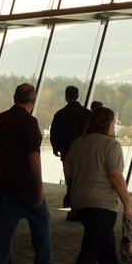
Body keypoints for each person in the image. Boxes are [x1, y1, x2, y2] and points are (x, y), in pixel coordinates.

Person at [0, 83, 62, 264]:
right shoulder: (29, 123)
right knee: (42, 224)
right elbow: (33, 157)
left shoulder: (1, 119)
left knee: (4, 230)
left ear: (14, 97)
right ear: (32, 100)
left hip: (4, 185)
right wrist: (40, 187)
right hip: (27, 186)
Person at [62, 106, 132, 264]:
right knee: (91, 249)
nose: (114, 127)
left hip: (81, 203)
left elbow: (68, 171)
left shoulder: (78, 143)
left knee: (104, 244)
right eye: (113, 122)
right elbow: (116, 177)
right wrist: (127, 203)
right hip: (103, 204)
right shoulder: (111, 145)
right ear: (107, 123)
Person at [49, 85, 91, 219]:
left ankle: (73, 208)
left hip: (67, 152)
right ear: (78, 95)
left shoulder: (60, 114)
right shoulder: (87, 113)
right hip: (84, 152)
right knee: (83, 179)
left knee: (70, 179)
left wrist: (56, 148)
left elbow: (54, 133)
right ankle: (83, 208)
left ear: (66, 96)